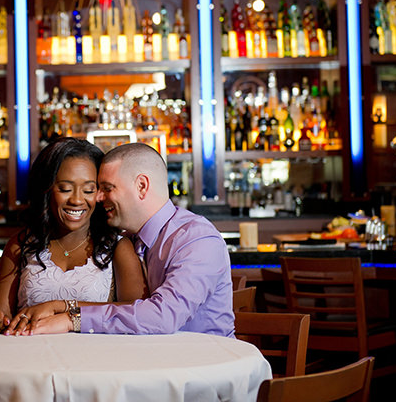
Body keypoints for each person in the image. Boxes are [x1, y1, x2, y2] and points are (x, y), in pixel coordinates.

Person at [18, 142, 236, 337]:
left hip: (203, 366)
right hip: (153, 364)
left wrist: (71, 315)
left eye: (107, 189)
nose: (98, 197)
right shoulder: (128, 238)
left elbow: (163, 316)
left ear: (141, 186)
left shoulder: (196, 239)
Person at [0, 137, 148, 333]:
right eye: (65, 189)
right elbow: (0, 316)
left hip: (96, 359)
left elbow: (137, 312)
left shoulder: (117, 247)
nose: (77, 200)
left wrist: (63, 306)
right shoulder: (21, 245)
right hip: (31, 357)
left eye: (88, 190)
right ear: (46, 190)